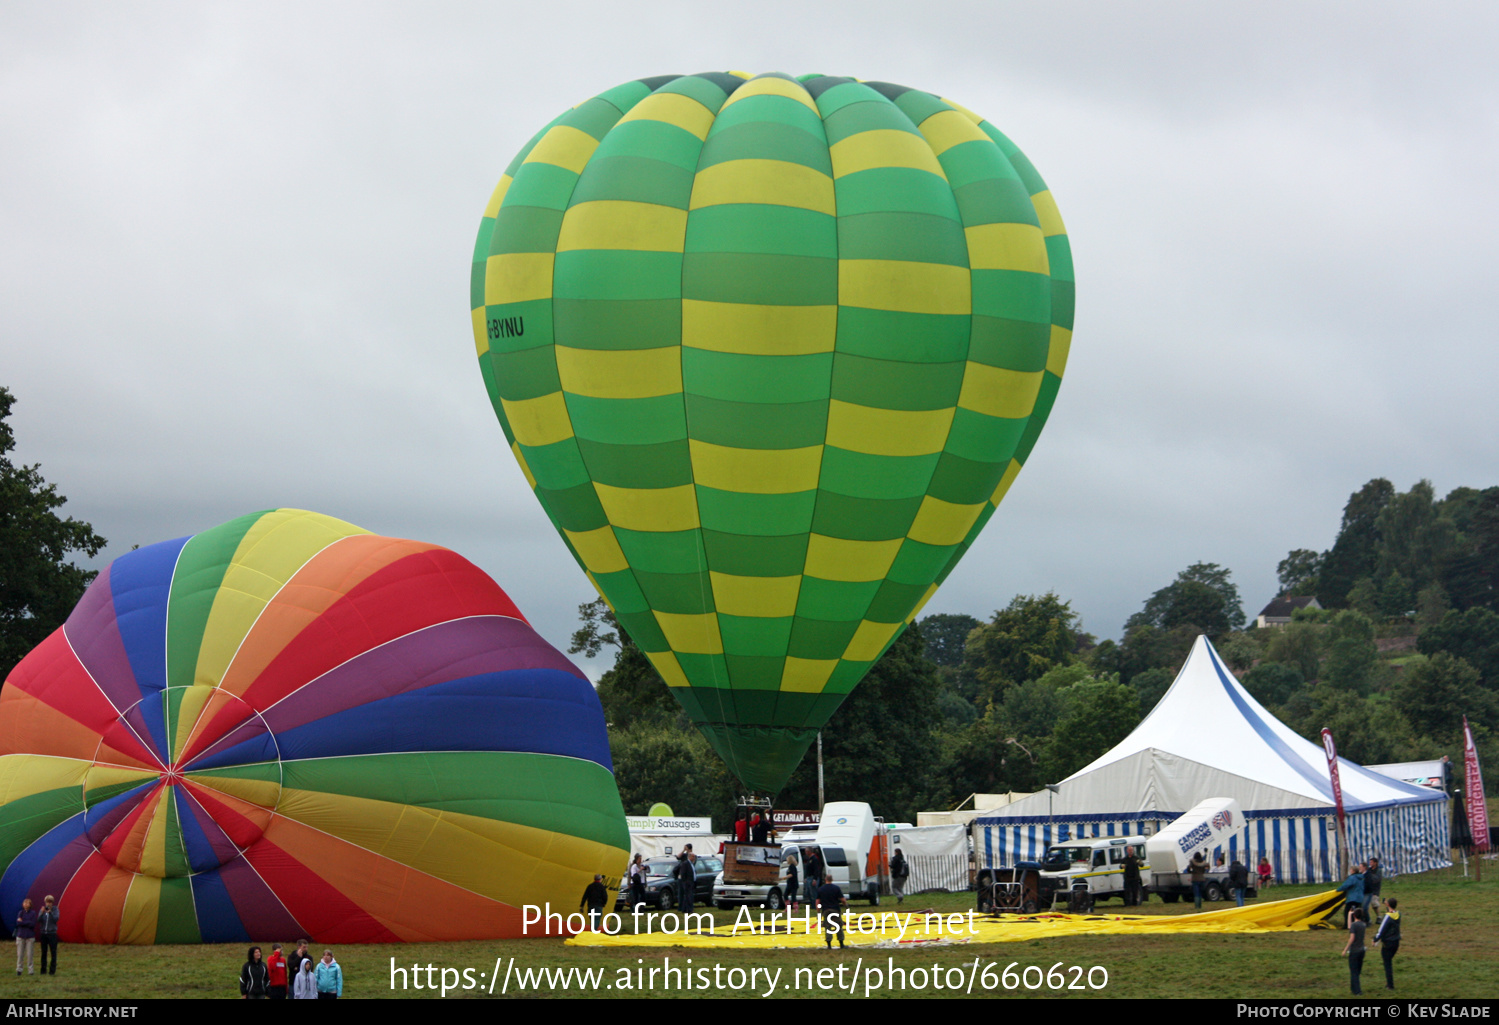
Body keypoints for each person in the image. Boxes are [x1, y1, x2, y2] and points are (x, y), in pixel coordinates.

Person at [1374, 897, 1401, 990]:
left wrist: (1375, 939)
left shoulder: (1387, 917)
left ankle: (1390, 985)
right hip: (1396, 942)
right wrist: (1387, 905)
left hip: (1388, 944)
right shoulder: (1398, 914)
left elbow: (1381, 930)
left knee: (1387, 964)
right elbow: (1391, 913)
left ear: (1388, 905)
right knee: (1389, 962)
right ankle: (1389, 984)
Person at [816, 874, 847, 950]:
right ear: (832, 879)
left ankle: (829, 945)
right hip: (835, 909)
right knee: (839, 926)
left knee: (828, 927)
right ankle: (841, 944)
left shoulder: (821, 889)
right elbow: (843, 900)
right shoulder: (836, 888)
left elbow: (817, 902)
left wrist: (818, 912)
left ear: (825, 879)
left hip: (826, 910)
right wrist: (846, 906)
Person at [1341, 906, 1366, 995]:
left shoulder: (1354, 925)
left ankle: (1357, 991)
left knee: (1354, 972)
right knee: (1357, 971)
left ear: (1354, 915)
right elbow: (1349, 927)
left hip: (1354, 951)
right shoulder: (1363, 924)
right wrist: (1349, 914)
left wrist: (1345, 949)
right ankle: (1353, 988)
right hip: (1362, 950)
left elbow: (1352, 938)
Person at [1337, 863, 1367, 928]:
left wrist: (1338, 890)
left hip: (1352, 898)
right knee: (1357, 912)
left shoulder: (1352, 877)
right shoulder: (1361, 878)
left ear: (1353, 871)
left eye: (1350, 869)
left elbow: (1346, 885)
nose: (1350, 871)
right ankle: (1358, 924)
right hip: (1359, 898)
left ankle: (1347, 925)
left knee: (1347, 912)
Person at [36, 896, 58, 976]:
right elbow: (38, 920)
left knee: (53, 952)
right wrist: (42, 913)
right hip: (43, 934)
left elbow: (56, 919)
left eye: (50, 902)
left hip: (52, 934)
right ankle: (43, 970)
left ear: (52, 903)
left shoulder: (55, 910)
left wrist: (50, 912)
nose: (48, 904)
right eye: (47, 902)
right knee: (44, 952)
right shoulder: (42, 910)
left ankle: (52, 971)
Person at [14, 898, 36, 976]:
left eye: (27, 903)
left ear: (30, 905)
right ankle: (19, 969)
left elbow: (32, 924)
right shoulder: (20, 913)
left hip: (30, 936)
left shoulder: (33, 913)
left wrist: (22, 922)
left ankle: (30, 970)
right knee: (20, 954)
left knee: (30, 954)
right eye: (24, 903)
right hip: (21, 936)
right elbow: (18, 923)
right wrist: (26, 922)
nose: (26, 904)